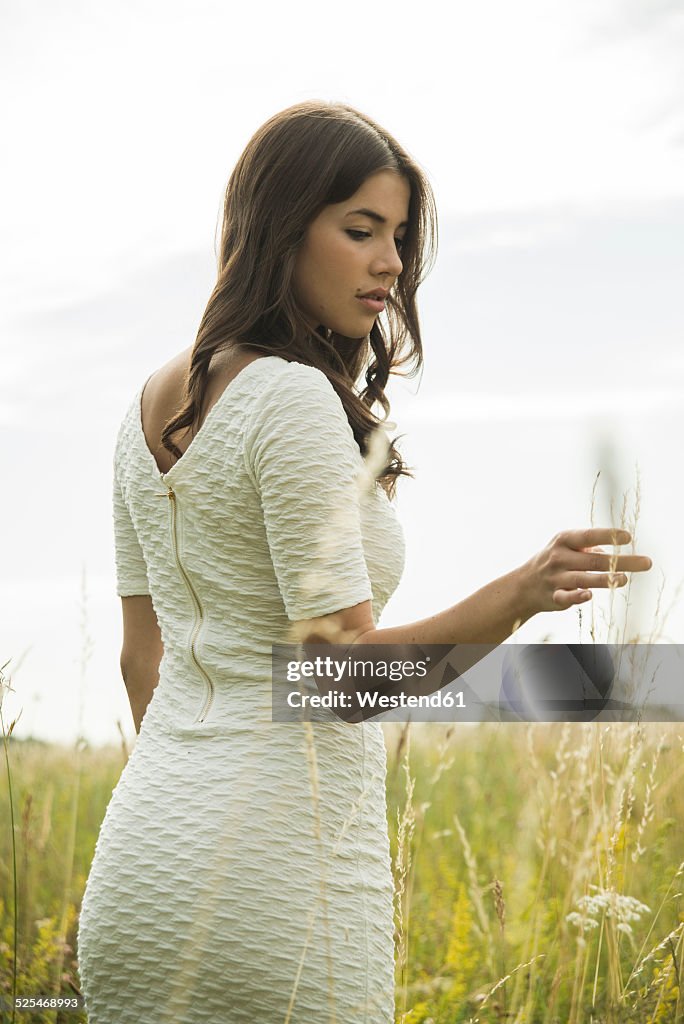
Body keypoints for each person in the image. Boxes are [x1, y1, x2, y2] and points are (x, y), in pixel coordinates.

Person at [76, 99, 652, 1024]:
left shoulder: (148, 402)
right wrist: (515, 597)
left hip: (145, 866)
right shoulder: (293, 399)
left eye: (398, 235)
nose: (390, 262)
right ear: (279, 226)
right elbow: (339, 679)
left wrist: (196, 801)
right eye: (360, 230)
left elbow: (140, 658)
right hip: (278, 876)